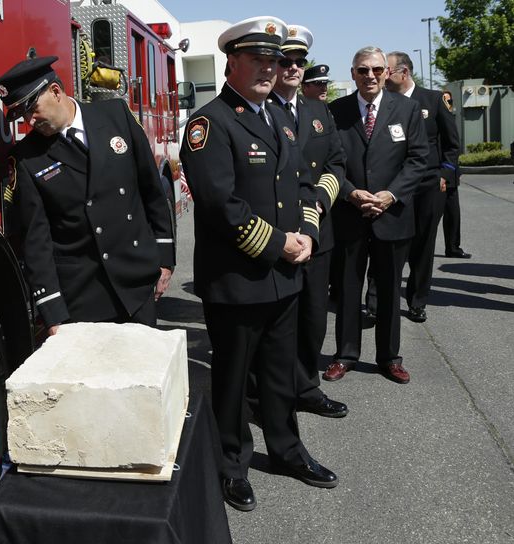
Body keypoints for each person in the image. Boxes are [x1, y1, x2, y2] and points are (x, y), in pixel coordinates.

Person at [181, 16, 338, 513]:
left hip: (284, 275)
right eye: (259, 59)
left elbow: (302, 185)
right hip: (238, 280)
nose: (271, 68)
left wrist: (309, 233)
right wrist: (281, 245)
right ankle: (231, 466)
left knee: (279, 375)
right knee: (231, 380)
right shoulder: (210, 123)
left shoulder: (279, 117)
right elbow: (219, 204)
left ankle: (288, 450)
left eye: (276, 60)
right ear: (232, 61)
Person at [0, 56, 175, 334]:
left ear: (55, 91)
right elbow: (36, 240)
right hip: (84, 297)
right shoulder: (27, 158)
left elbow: (152, 190)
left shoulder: (116, 116)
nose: (29, 120)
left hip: (136, 282)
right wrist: (51, 311)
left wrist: (164, 259)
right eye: (21, 115)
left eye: (31, 108)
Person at [323, 47, 428, 384]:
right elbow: (329, 163)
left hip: (392, 216)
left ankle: (389, 357)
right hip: (349, 215)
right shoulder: (334, 111)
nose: (370, 76)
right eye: (362, 70)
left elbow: (418, 159)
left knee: (387, 290)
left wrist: (390, 194)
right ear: (352, 73)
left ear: (387, 73)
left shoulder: (408, 109)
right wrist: (350, 192)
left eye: (376, 70)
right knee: (348, 288)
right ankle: (345, 355)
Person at [264, 26, 348, 418]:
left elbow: (335, 163)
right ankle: (272, 394)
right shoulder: (262, 107)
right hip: (280, 233)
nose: (294, 67)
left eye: (300, 62)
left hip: (318, 230)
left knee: (314, 316)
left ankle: (306, 387)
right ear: (273, 65)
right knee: (278, 321)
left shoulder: (318, 110)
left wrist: (316, 211)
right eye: (286, 61)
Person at [386, 51, 460, 323]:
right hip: (394, 184)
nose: (382, 76)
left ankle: (417, 300)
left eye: (387, 70)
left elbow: (452, 144)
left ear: (404, 73)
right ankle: (380, 300)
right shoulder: (385, 101)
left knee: (424, 244)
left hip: (429, 183)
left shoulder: (433, 99)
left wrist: (445, 174)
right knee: (391, 242)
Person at [440, 91, 472, 258]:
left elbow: (453, 147)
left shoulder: (450, 118)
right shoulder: (430, 118)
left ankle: (452, 247)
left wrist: (454, 171)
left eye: (449, 100)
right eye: (443, 100)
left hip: (451, 174)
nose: (447, 103)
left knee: (453, 213)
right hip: (436, 175)